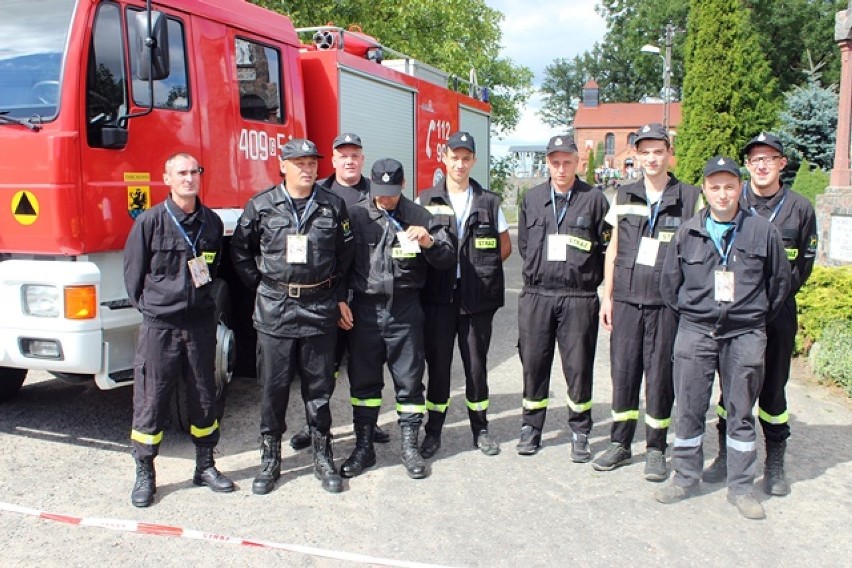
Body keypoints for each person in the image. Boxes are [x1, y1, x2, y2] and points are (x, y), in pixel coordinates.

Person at [655, 155, 791, 520]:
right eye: (715, 187)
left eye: (729, 186)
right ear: (705, 190)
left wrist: (750, 318)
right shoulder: (688, 231)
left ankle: (741, 487)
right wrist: (696, 315)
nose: (723, 193)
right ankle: (685, 477)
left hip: (744, 334)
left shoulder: (762, 231)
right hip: (696, 332)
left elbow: (779, 286)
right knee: (688, 408)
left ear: (740, 187)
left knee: (740, 412)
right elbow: (670, 285)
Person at [230, 138, 354, 495]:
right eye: (299, 163)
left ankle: (322, 455)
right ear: (282, 165)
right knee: (273, 388)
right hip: (276, 309)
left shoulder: (332, 206)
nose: (307, 169)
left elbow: (345, 255)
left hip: (318, 306)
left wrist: (336, 294)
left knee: (318, 388)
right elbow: (240, 251)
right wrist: (265, 286)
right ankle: (271, 460)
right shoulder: (262, 205)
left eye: (312, 163)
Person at [702, 133, 818, 495]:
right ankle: (725, 455)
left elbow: (803, 267)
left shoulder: (800, 208)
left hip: (776, 315)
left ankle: (775, 462)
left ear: (782, 163)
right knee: (730, 389)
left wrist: (767, 303)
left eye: (770, 158)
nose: (762, 165)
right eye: (755, 160)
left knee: (772, 391)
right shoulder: (735, 202)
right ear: (747, 167)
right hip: (734, 317)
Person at [123, 152, 234, 508]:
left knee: (204, 395)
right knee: (151, 399)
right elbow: (133, 277)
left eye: (194, 172)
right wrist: (158, 309)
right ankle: (145, 472)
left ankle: (205, 465)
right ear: (167, 179)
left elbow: (212, 271)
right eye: (181, 173)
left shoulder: (212, 222)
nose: (189, 179)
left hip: (200, 324)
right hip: (161, 325)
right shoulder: (150, 222)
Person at [595, 124, 702, 480]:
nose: (652, 158)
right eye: (645, 152)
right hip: (625, 300)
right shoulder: (623, 195)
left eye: (658, 151)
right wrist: (607, 298)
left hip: (666, 305)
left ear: (669, 153)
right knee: (623, 373)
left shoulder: (689, 197)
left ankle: (656, 448)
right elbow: (612, 249)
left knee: (659, 377)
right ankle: (619, 444)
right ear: (636, 156)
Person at [338, 158, 455, 479]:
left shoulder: (420, 216)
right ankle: (364, 446)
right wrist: (339, 300)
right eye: (379, 191)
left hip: (405, 310)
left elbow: (447, 259)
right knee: (363, 382)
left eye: (390, 192)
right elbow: (339, 262)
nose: (384, 198)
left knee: (409, 381)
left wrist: (429, 242)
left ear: (403, 185)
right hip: (365, 311)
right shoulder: (357, 215)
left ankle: (409, 445)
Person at [288, 132, 391, 451]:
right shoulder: (318, 195)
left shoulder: (380, 193)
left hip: (367, 298)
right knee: (322, 368)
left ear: (363, 159)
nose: (349, 160)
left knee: (367, 366)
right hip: (329, 298)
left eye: (355, 155)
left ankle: (367, 423)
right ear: (332, 160)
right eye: (343, 155)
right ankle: (315, 425)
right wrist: (336, 299)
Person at [516, 135, 611, 459]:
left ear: (577, 162)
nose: (560, 168)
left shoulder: (594, 199)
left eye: (566, 162)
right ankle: (531, 427)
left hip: (578, 297)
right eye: (554, 162)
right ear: (548, 163)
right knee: (533, 364)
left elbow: (606, 248)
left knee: (579, 367)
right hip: (537, 295)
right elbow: (526, 246)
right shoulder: (532, 198)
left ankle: (580, 431)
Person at [417, 131, 511, 458]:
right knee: (438, 366)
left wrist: (476, 268)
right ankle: (433, 431)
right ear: (444, 157)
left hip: (476, 299)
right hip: (437, 297)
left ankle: (480, 428)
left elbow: (505, 246)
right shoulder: (426, 199)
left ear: (473, 161)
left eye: (466, 158)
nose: (459, 163)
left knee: (475, 365)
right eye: (454, 157)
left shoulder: (488, 201)